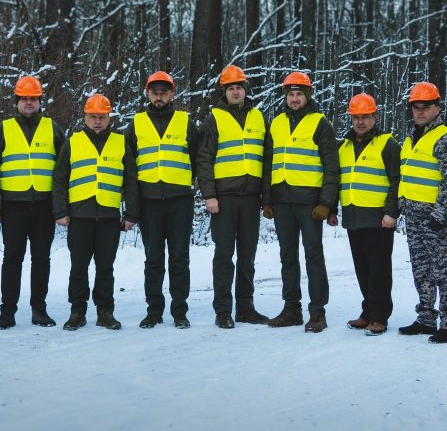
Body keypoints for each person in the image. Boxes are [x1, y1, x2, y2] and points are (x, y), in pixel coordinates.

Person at [0, 76, 65, 330]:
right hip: (13, 206)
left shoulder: (53, 128)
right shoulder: (3, 129)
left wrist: (63, 204)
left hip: (44, 205)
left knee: (41, 258)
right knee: (12, 258)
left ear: (40, 101)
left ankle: (39, 310)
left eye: (33, 98)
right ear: (16, 102)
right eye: (24, 98)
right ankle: (7, 312)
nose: (29, 102)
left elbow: (64, 167)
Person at [53, 94, 140, 330]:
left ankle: (105, 312)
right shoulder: (73, 142)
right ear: (85, 116)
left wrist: (132, 214)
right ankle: (77, 311)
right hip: (79, 217)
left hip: (109, 217)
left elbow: (131, 181)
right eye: (93, 117)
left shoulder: (120, 143)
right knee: (78, 267)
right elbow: (60, 179)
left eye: (102, 117)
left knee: (105, 268)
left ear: (109, 118)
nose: (97, 121)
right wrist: (60, 211)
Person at [262, 72, 340, 333]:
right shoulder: (276, 123)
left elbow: (332, 167)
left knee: (313, 257)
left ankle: (317, 312)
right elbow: (268, 164)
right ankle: (291, 309)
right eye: (291, 94)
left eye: (299, 94)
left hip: (310, 204)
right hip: (282, 202)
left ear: (308, 95)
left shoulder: (320, 123)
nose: (295, 99)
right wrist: (267, 200)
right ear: (286, 96)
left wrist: (327, 203)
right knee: (287, 257)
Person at [196, 65, 269, 329]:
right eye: (231, 88)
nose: (235, 92)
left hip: (251, 198)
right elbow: (203, 159)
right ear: (224, 92)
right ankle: (223, 310)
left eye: (239, 87)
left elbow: (267, 159)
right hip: (224, 199)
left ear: (245, 90)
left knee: (248, 256)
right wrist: (209, 196)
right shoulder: (214, 119)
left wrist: (266, 197)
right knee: (224, 255)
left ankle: (246, 308)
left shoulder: (259, 117)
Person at [125, 71, 200, 329]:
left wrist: (204, 189)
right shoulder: (136, 124)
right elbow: (128, 169)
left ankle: (180, 311)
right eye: (154, 92)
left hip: (180, 200)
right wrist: (131, 208)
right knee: (153, 259)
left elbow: (200, 158)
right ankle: (154, 311)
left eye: (164, 92)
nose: (159, 96)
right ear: (147, 93)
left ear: (172, 94)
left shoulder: (185, 122)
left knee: (179, 258)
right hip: (149, 202)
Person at [397, 82, 447, 343]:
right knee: (421, 269)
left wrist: (440, 214)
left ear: (437, 108)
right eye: (416, 107)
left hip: (435, 217)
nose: (420, 111)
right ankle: (425, 317)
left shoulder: (446, 137)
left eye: (426, 107)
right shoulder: (411, 138)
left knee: (444, 270)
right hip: (412, 216)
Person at [338, 93, 400, 335]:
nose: (360, 122)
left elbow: (397, 181)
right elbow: (338, 180)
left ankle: (380, 316)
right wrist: (333, 211)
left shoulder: (387, 144)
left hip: (378, 219)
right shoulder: (343, 146)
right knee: (362, 268)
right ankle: (368, 311)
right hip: (353, 217)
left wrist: (391, 212)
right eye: (356, 117)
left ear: (375, 116)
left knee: (379, 270)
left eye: (365, 117)